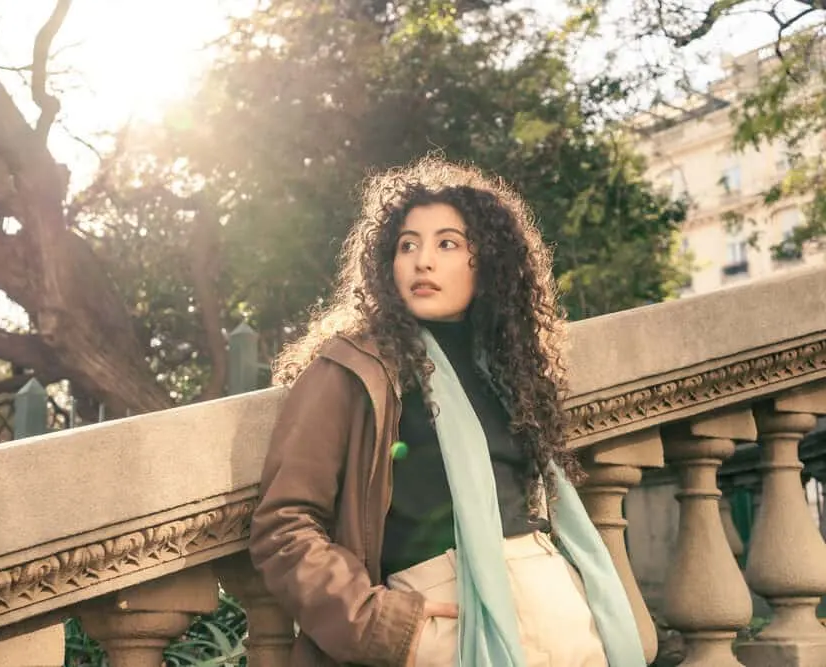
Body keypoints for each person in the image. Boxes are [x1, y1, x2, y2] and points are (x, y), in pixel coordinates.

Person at [248, 156, 645, 667]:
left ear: (488, 262)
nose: (422, 261)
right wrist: (381, 624)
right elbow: (284, 524)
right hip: (444, 621)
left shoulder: (510, 370)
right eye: (407, 244)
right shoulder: (354, 368)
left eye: (447, 244)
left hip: (557, 609)